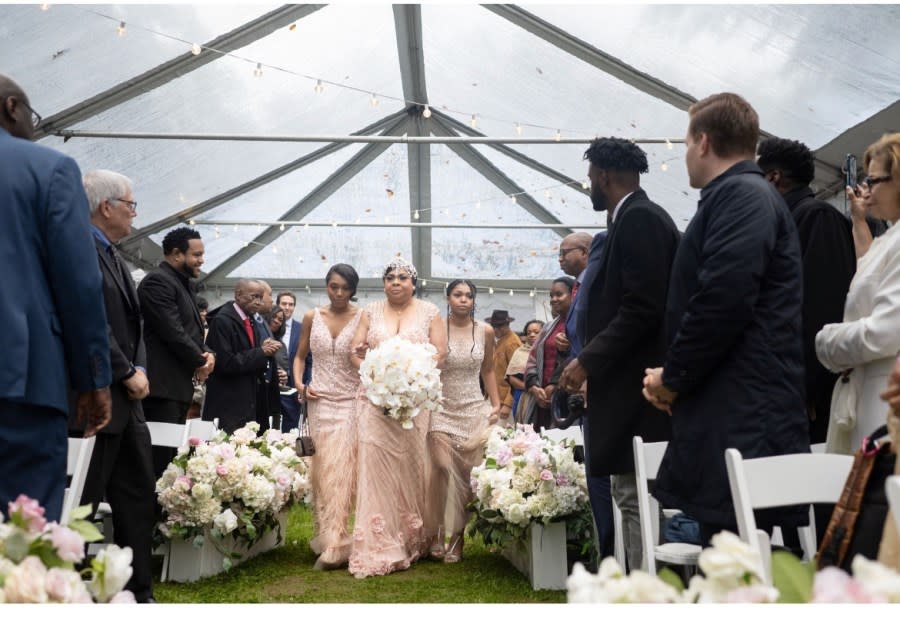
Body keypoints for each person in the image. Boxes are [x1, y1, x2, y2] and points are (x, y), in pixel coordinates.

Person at [642, 92, 809, 544]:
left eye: (685, 144)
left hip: (743, 412)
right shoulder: (739, 195)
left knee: (733, 559)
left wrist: (673, 378)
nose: (685, 157)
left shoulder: (742, 195)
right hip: (735, 405)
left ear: (702, 142)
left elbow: (723, 300)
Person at [558, 137, 679, 572]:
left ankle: (645, 590)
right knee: (629, 494)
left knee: (637, 497)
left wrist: (588, 358)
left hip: (637, 389)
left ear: (604, 176)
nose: (590, 185)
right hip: (625, 387)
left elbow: (643, 307)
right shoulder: (628, 218)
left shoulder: (641, 219)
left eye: (591, 177)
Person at [0, 74, 111, 521]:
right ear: (12, 108)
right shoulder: (48, 169)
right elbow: (80, 284)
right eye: (31, 114)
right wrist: (93, 378)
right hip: (20, 382)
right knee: (25, 539)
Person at [75, 169, 156, 603]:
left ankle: (137, 592)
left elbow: (132, 326)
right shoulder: (79, 248)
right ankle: (75, 591)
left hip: (129, 403)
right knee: (83, 506)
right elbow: (91, 320)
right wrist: (125, 372)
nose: (135, 214)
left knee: (137, 500)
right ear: (106, 207)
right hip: (97, 399)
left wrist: (137, 373)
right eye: (131, 205)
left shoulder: (114, 252)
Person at [347, 257, 447, 579]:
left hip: (415, 405)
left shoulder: (430, 312)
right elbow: (355, 351)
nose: (396, 282)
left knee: (411, 468)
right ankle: (377, 544)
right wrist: (373, 374)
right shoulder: (370, 312)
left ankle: (410, 539)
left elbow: (440, 354)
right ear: (383, 283)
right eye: (390, 277)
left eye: (403, 277)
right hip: (374, 401)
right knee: (375, 469)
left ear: (413, 283)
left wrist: (415, 385)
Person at [757, 137, 858, 445]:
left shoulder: (817, 217)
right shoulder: (787, 221)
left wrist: (804, 389)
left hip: (806, 401)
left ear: (774, 177)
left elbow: (823, 311)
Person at [815, 133, 900, 455]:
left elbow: (885, 331)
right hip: (867, 403)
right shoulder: (889, 238)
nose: (867, 189)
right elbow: (869, 270)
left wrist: (826, 342)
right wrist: (859, 220)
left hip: (881, 408)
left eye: (875, 180)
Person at [292, 264, 363, 570]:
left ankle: (337, 542)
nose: (338, 293)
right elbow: (299, 356)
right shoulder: (312, 317)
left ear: (352, 290)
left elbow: (365, 357)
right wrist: (299, 384)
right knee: (320, 471)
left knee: (342, 470)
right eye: (333, 286)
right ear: (327, 286)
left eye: (344, 288)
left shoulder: (362, 317)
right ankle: (324, 534)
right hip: (318, 401)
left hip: (350, 402)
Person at [425, 280, 501, 564]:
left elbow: (489, 369)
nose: (464, 300)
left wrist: (494, 403)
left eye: (469, 296)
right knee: (442, 469)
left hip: (473, 409)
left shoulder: (485, 331)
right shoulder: (435, 329)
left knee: (468, 478)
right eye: (458, 295)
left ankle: (457, 539)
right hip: (440, 408)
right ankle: (434, 534)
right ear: (448, 298)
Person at [138, 226, 214, 476]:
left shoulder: (185, 285)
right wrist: (200, 360)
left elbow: (192, 330)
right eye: (196, 254)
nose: (201, 260)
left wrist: (207, 353)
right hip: (161, 388)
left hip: (178, 387)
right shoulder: (158, 282)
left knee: (170, 457)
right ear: (175, 254)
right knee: (157, 460)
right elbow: (172, 332)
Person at [203, 279, 282, 434]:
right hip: (227, 403)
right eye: (254, 297)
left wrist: (264, 351)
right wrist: (261, 352)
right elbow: (226, 362)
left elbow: (249, 353)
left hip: (248, 402)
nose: (259, 302)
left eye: (261, 297)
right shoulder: (222, 321)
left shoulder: (250, 320)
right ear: (238, 295)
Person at [523, 277, 574, 431]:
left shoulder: (580, 324)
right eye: (551, 295)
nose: (553, 299)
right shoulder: (548, 327)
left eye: (559, 294)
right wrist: (534, 388)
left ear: (574, 295)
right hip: (542, 399)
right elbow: (532, 359)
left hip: (567, 398)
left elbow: (581, 356)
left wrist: (555, 385)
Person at [277, 291, 312, 432]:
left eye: (291, 304)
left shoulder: (302, 328)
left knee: (290, 425)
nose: (287, 307)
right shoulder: (268, 326)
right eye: (284, 304)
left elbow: (309, 360)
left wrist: (305, 385)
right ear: (277, 305)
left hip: (294, 386)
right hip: (272, 385)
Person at [485, 310, 522, 426]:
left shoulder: (512, 343)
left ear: (507, 325)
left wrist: (508, 404)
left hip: (505, 402)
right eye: (494, 326)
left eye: (500, 326)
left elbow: (517, 376)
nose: (496, 329)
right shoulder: (501, 341)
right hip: (496, 399)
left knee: (502, 437)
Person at [507, 319, 543, 423]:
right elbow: (512, 378)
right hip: (524, 397)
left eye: (536, 332)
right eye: (529, 333)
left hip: (546, 396)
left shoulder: (551, 351)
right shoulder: (520, 352)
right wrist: (532, 389)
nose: (532, 335)